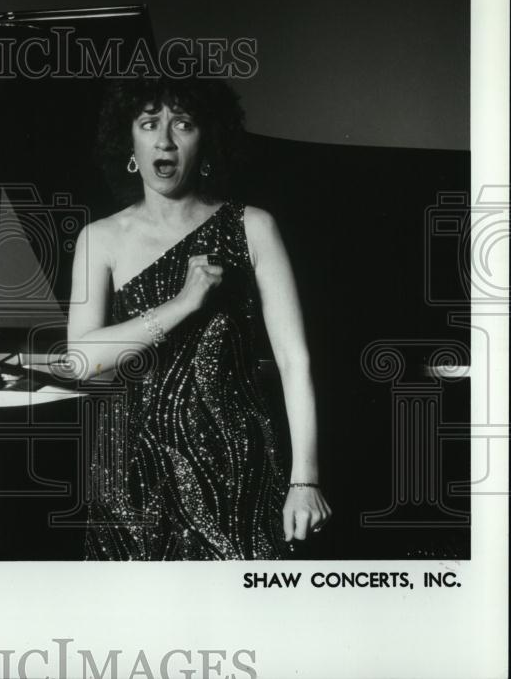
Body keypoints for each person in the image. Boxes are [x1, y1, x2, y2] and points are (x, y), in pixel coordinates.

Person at [68, 76, 331, 560]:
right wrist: (184, 304)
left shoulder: (253, 227)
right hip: (130, 476)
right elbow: (83, 360)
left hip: (237, 468)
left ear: (206, 138)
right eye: (149, 123)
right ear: (130, 141)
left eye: (182, 124)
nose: (164, 139)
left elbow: (295, 362)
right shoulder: (100, 239)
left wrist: (305, 479)